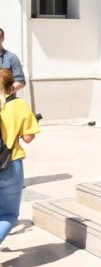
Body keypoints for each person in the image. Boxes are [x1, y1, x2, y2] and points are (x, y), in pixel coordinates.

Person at [0, 68, 40, 243]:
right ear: (12, 88)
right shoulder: (20, 105)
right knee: (9, 213)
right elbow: (29, 138)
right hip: (10, 163)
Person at [0, 29, 25, 96]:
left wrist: (4, 94)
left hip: (7, 103)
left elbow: (20, 82)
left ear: (3, 39)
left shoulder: (12, 58)